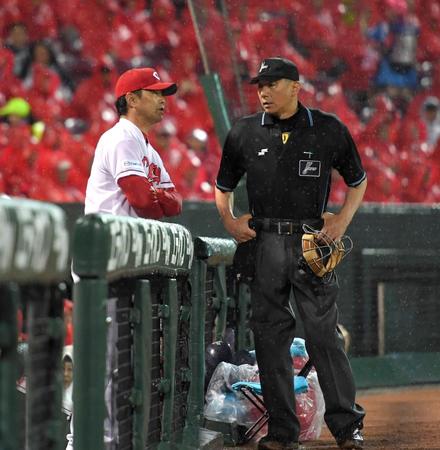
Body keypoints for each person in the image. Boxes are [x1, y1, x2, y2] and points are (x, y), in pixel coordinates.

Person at [215, 57, 367, 450]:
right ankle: (283, 433)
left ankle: (347, 427)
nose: (263, 91)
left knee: (322, 336)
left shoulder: (328, 129)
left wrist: (341, 222)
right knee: (269, 338)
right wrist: (229, 221)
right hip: (263, 240)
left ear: (295, 87)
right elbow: (223, 185)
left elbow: (357, 180)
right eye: (259, 85)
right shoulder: (244, 132)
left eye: (272, 84)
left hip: (309, 239)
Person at [85, 66, 182, 219]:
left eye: (162, 93)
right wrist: (159, 197)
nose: (162, 99)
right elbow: (143, 203)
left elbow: (176, 205)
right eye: (154, 93)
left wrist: (156, 196)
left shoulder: (150, 151)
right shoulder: (121, 138)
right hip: (107, 237)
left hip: (125, 237)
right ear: (132, 100)